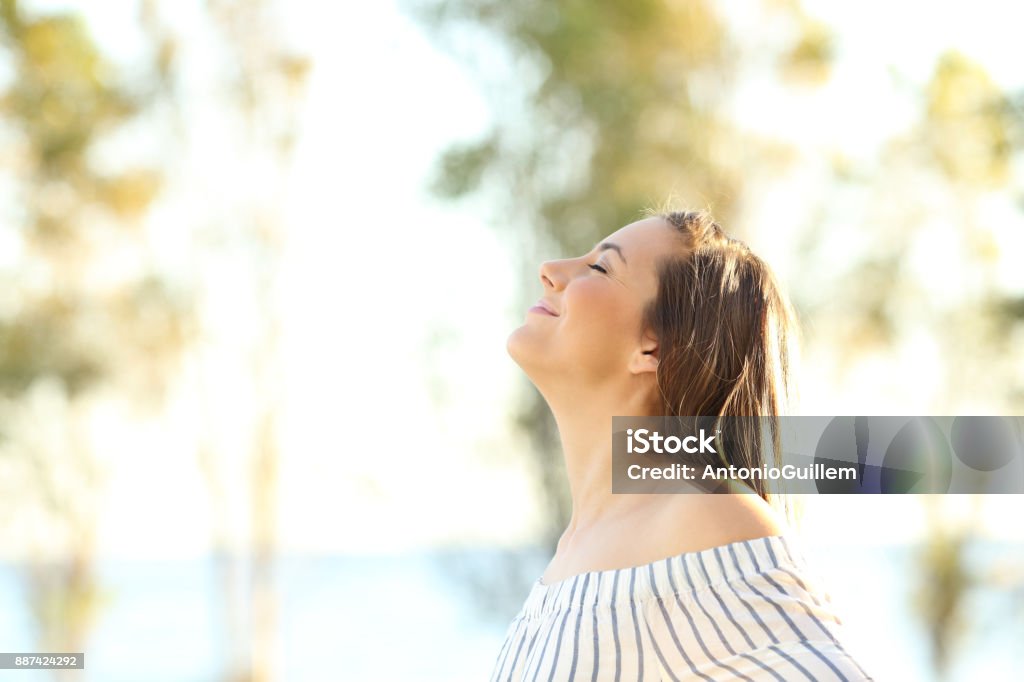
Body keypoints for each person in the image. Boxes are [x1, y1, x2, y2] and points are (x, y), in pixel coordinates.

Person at [489, 209, 872, 681]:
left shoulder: (703, 516)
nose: (551, 269)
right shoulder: (578, 549)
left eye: (601, 267)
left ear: (653, 349)